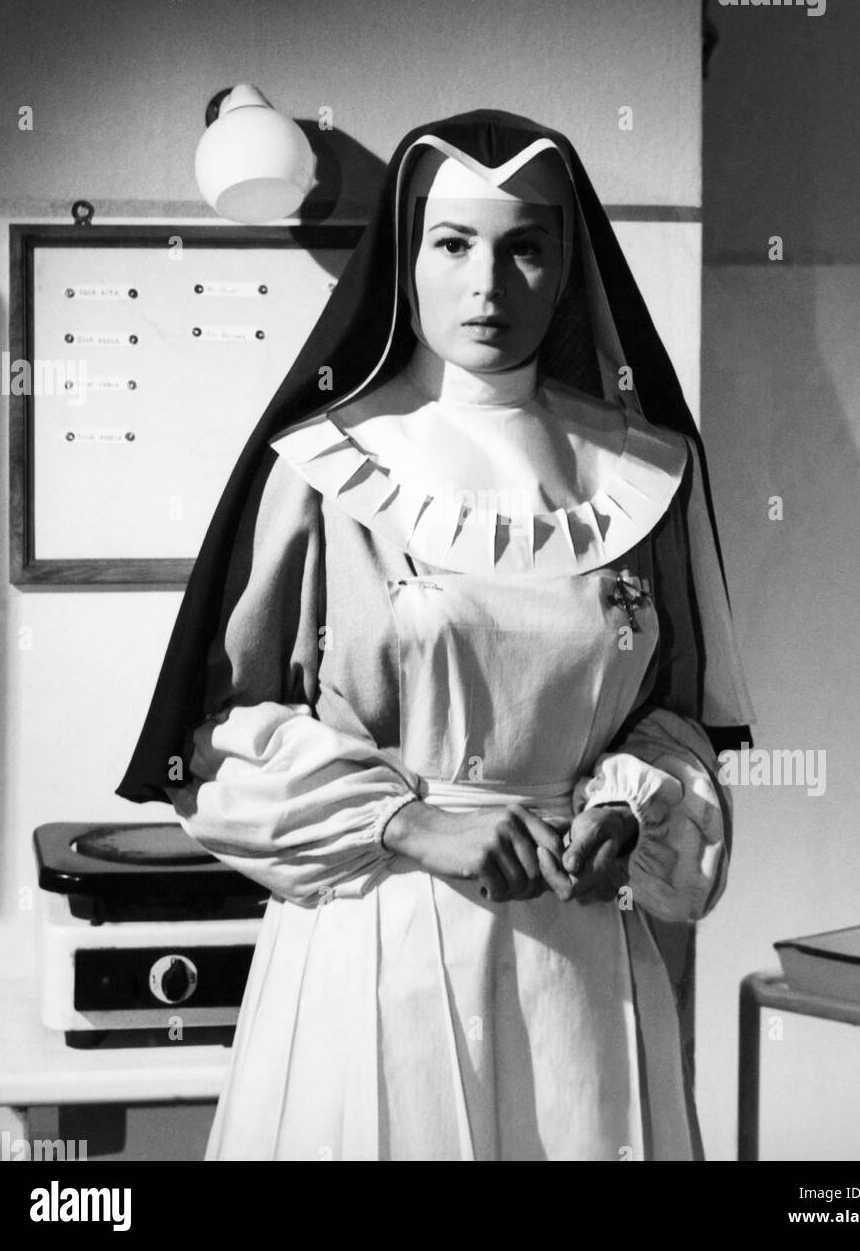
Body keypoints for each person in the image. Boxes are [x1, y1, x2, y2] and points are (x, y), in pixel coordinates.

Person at [116, 108, 754, 1161]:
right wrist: (408, 822)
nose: (487, 285)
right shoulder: (328, 469)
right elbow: (220, 735)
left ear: (568, 264)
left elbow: (669, 724)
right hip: (377, 941)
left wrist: (623, 811)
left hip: (576, 959)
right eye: (453, 244)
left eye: (524, 247)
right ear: (406, 257)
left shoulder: (643, 477)